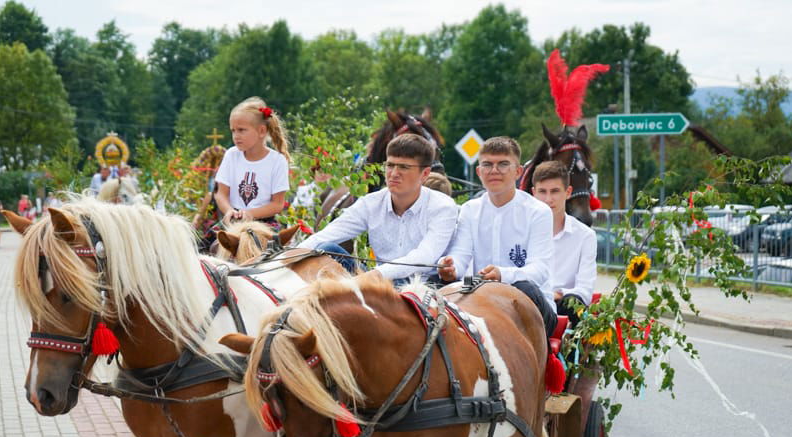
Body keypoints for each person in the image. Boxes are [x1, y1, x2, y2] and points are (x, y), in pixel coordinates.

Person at [298, 133, 458, 282]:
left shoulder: (443, 207)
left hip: (423, 286)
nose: (394, 173)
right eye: (390, 165)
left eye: (404, 167)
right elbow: (327, 235)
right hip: (378, 281)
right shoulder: (371, 203)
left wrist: (373, 276)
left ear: (424, 174)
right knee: (326, 248)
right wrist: (288, 255)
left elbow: (425, 257)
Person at [438, 136, 557, 335]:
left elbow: (540, 270)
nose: (494, 171)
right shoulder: (469, 209)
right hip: (481, 293)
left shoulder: (538, 211)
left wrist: (502, 274)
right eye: (487, 164)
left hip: (531, 303)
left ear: (518, 171)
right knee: (437, 286)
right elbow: (460, 255)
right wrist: (450, 267)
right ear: (479, 172)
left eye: (503, 164)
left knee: (524, 287)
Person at [531, 161, 597, 327]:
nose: (548, 199)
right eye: (542, 192)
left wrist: (557, 294)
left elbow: (585, 289)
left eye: (555, 191)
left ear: (568, 192)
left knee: (573, 304)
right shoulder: (522, 232)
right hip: (530, 305)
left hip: (564, 307)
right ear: (533, 193)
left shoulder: (585, 236)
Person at [213, 97, 290, 229]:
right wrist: (229, 211)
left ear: (261, 131)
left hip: (264, 222)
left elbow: (277, 204)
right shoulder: (231, 155)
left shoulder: (277, 161)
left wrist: (250, 214)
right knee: (205, 245)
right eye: (233, 130)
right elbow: (221, 193)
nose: (236, 136)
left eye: (241, 130)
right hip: (233, 219)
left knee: (274, 247)